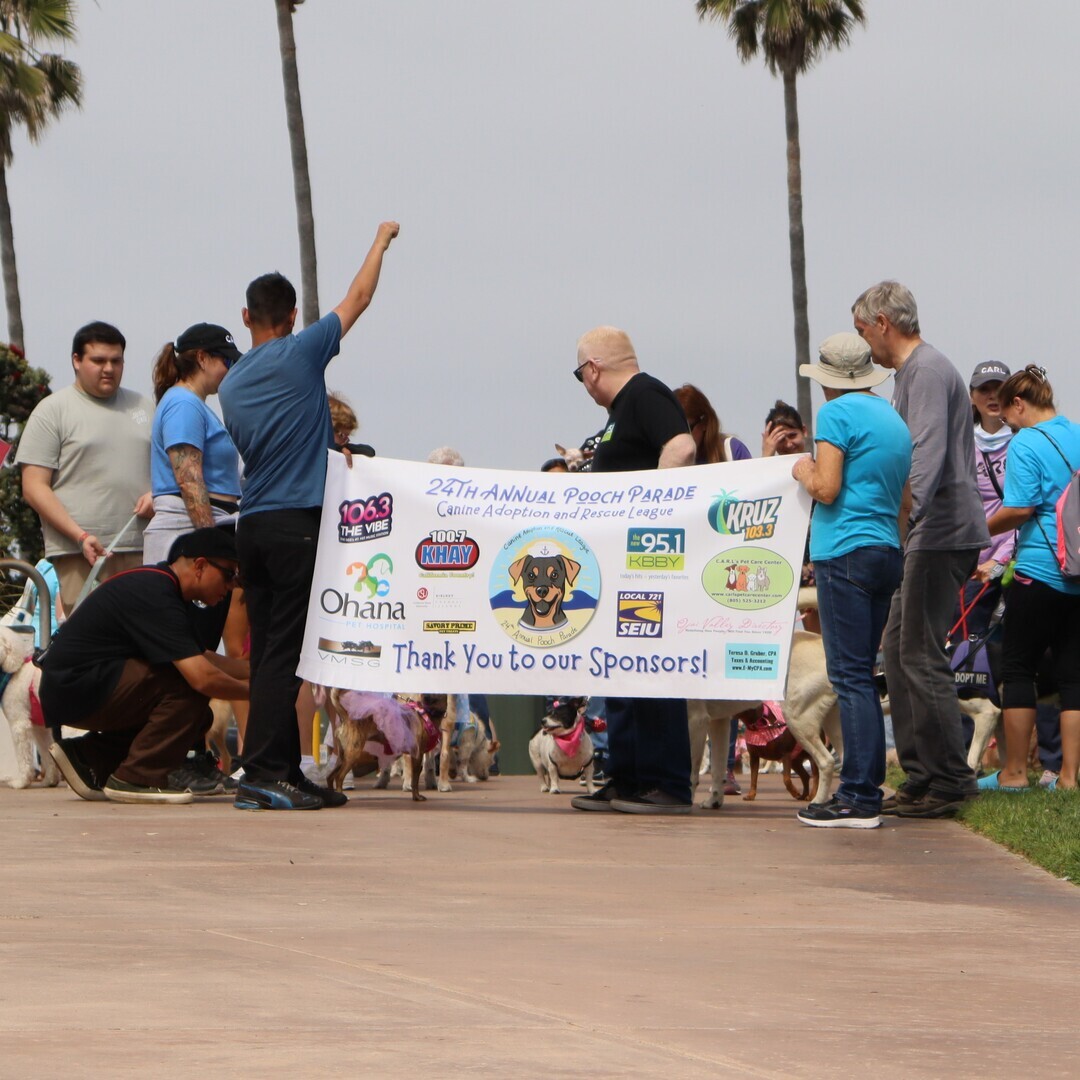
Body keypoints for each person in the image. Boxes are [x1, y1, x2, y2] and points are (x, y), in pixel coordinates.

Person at [218, 220, 399, 811]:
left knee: (273, 650)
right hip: (297, 525)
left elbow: (276, 441)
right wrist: (380, 240)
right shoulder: (302, 352)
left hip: (255, 526)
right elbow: (360, 298)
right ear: (292, 316)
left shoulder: (233, 383)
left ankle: (281, 771)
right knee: (282, 656)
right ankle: (264, 773)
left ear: (246, 318)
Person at [853, 281, 988, 817]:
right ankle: (922, 772)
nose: (866, 346)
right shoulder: (913, 373)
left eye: (865, 332)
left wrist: (902, 521)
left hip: (939, 534)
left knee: (919, 653)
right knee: (901, 650)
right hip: (927, 534)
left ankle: (950, 779)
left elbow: (925, 456)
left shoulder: (927, 371)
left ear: (884, 323)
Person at [569, 326, 696, 815]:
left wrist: (655, 510)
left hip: (648, 563)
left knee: (652, 670)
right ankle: (626, 778)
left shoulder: (646, 393)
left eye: (580, 375)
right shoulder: (621, 411)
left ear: (593, 369)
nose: (583, 385)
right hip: (620, 563)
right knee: (623, 671)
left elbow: (681, 447)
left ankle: (666, 783)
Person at [791, 334, 911, 828]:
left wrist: (801, 467)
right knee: (862, 674)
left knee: (849, 676)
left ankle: (859, 796)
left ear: (828, 383)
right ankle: (866, 790)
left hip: (844, 551)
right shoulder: (894, 420)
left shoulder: (836, 416)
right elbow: (905, 502)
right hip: (887, 549)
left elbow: (827, 485)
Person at [42, 528, 249, 805]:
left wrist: (258, 672)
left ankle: (89, 756)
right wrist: (258, 692)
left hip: (75, 686)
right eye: (228, 574)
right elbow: (202, 677)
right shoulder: (156, 592)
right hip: (74, 687)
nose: (232, 586)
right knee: (188, 688)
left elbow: (205, 657)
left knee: (199, 717)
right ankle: (136, 777)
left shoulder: (165, 587)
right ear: (200, 565)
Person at [979, 366, 1080, 792]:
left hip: (1038, 572)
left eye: (1006, 416)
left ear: (1018, 404)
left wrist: (977, 531)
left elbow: (1020, 508)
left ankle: (1015, 773)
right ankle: (1071, 779)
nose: (1006, 424)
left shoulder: (1025, 443)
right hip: (1078, 573)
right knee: (1074, 676)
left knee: (1018, 669)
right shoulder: (1076, 434)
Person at [16, 322, 154, 612]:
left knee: (141, 648)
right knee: (90, 644)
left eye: (116, 361)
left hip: (143, 547)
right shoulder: (52, 410)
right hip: (79, 552)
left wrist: (157, 492)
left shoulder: (144, 406)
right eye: (98, 360)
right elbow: (33, 486)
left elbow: (169, 467)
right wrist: (79, 536)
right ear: (76, 361)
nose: (108, 368)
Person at [142, 323, 243, 565]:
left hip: (202, 528)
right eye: (227, 362)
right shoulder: (183, 404)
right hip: (186, 535)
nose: (231, 371)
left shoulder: (191, 404)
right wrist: (211, 547)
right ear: (202, 358)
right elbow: (189, 480)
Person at [673, 383, 752, 462]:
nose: (680, 438)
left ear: (704, 423)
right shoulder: (663, 460)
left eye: (687, 429)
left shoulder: (732, 451)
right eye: (674, 431)